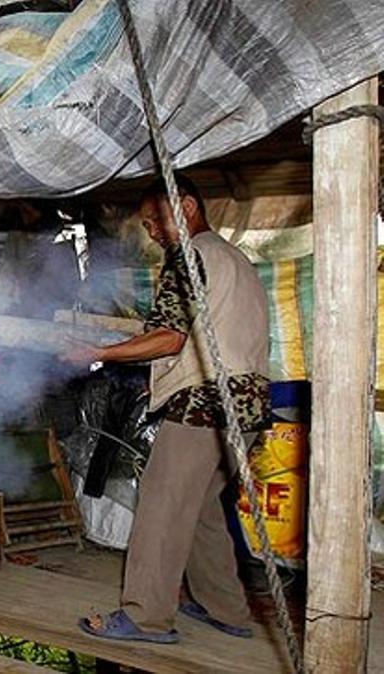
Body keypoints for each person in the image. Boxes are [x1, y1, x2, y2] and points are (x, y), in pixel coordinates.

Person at [63, 175, 270, 644]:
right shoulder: (233, 259)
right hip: (247, 406)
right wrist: (163, 385)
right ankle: (227, 609)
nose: (152, 232)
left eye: (156, 220)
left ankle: (145, 616)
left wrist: (99, 353)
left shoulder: (189, 257)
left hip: (207, 407)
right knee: (199, 511)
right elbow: (213, 339)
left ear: (188, 207)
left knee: (159, 505)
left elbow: (170, 338)